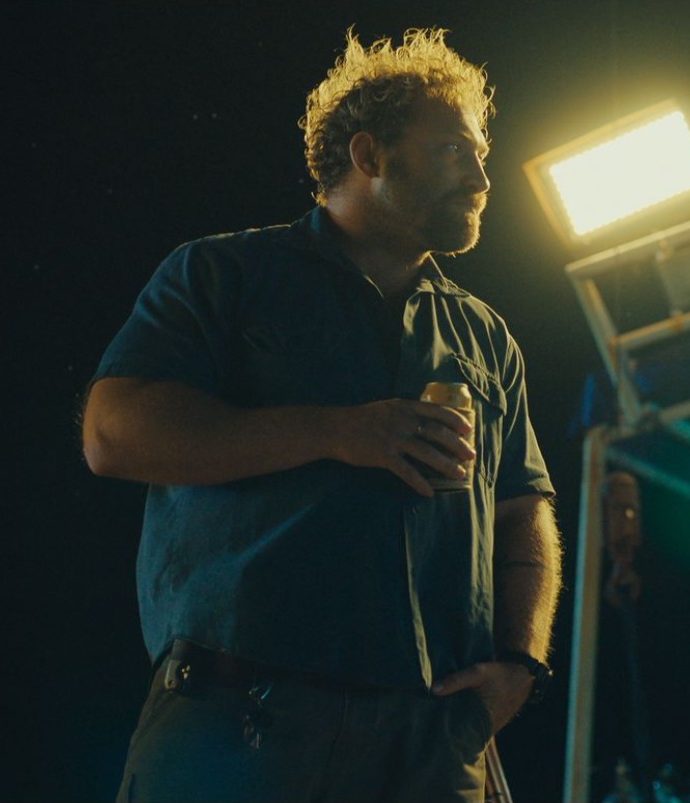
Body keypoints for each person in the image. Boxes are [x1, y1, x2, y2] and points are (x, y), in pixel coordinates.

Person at [81, 28, 559, 803]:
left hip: (435, 740)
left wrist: (519, 665)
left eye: (481, 155)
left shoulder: (487, 335)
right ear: (369, 155)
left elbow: (523, 508)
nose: (479, 177)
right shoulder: (223, 273)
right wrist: (339, 430)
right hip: (236, 726)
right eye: (451, 151)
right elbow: (112, 433)